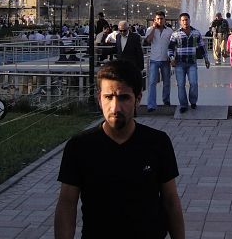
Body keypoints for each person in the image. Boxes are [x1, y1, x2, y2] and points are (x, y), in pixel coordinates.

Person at [54, 60, 184, 239]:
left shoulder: (158, 143)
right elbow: (67, 204)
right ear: (99, 98)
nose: (115, 108)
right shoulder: (79, 147)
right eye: (108, 97)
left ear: (138, 99)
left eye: (124, 97)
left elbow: (170, 201)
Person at [168, 13, 210, 113]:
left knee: (194, 83)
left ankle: (193, 101)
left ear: (189, 20)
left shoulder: (196, 33)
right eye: (183, 20)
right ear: (180, 22)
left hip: (192, 63)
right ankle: (183, 105)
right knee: (181, 85)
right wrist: (172, 58)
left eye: (186, 20)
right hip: (179, 63)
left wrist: (206, 59)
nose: (185, 22)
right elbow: (170, 48)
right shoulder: (176, 34)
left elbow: (202, 46)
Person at [144, 11, 173, 111]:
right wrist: (153, 28)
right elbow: (148, 40)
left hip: (165, 59)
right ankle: (151, 104)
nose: (160, 20)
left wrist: (172, 57)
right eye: (158, 19)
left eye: (162, 18)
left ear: (165, 19)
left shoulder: (169, 31)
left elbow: (172, 45)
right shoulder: (150, 29)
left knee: (166, 82)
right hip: (154, 59)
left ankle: (166, 100)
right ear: (155, 20)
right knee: (152, 82)